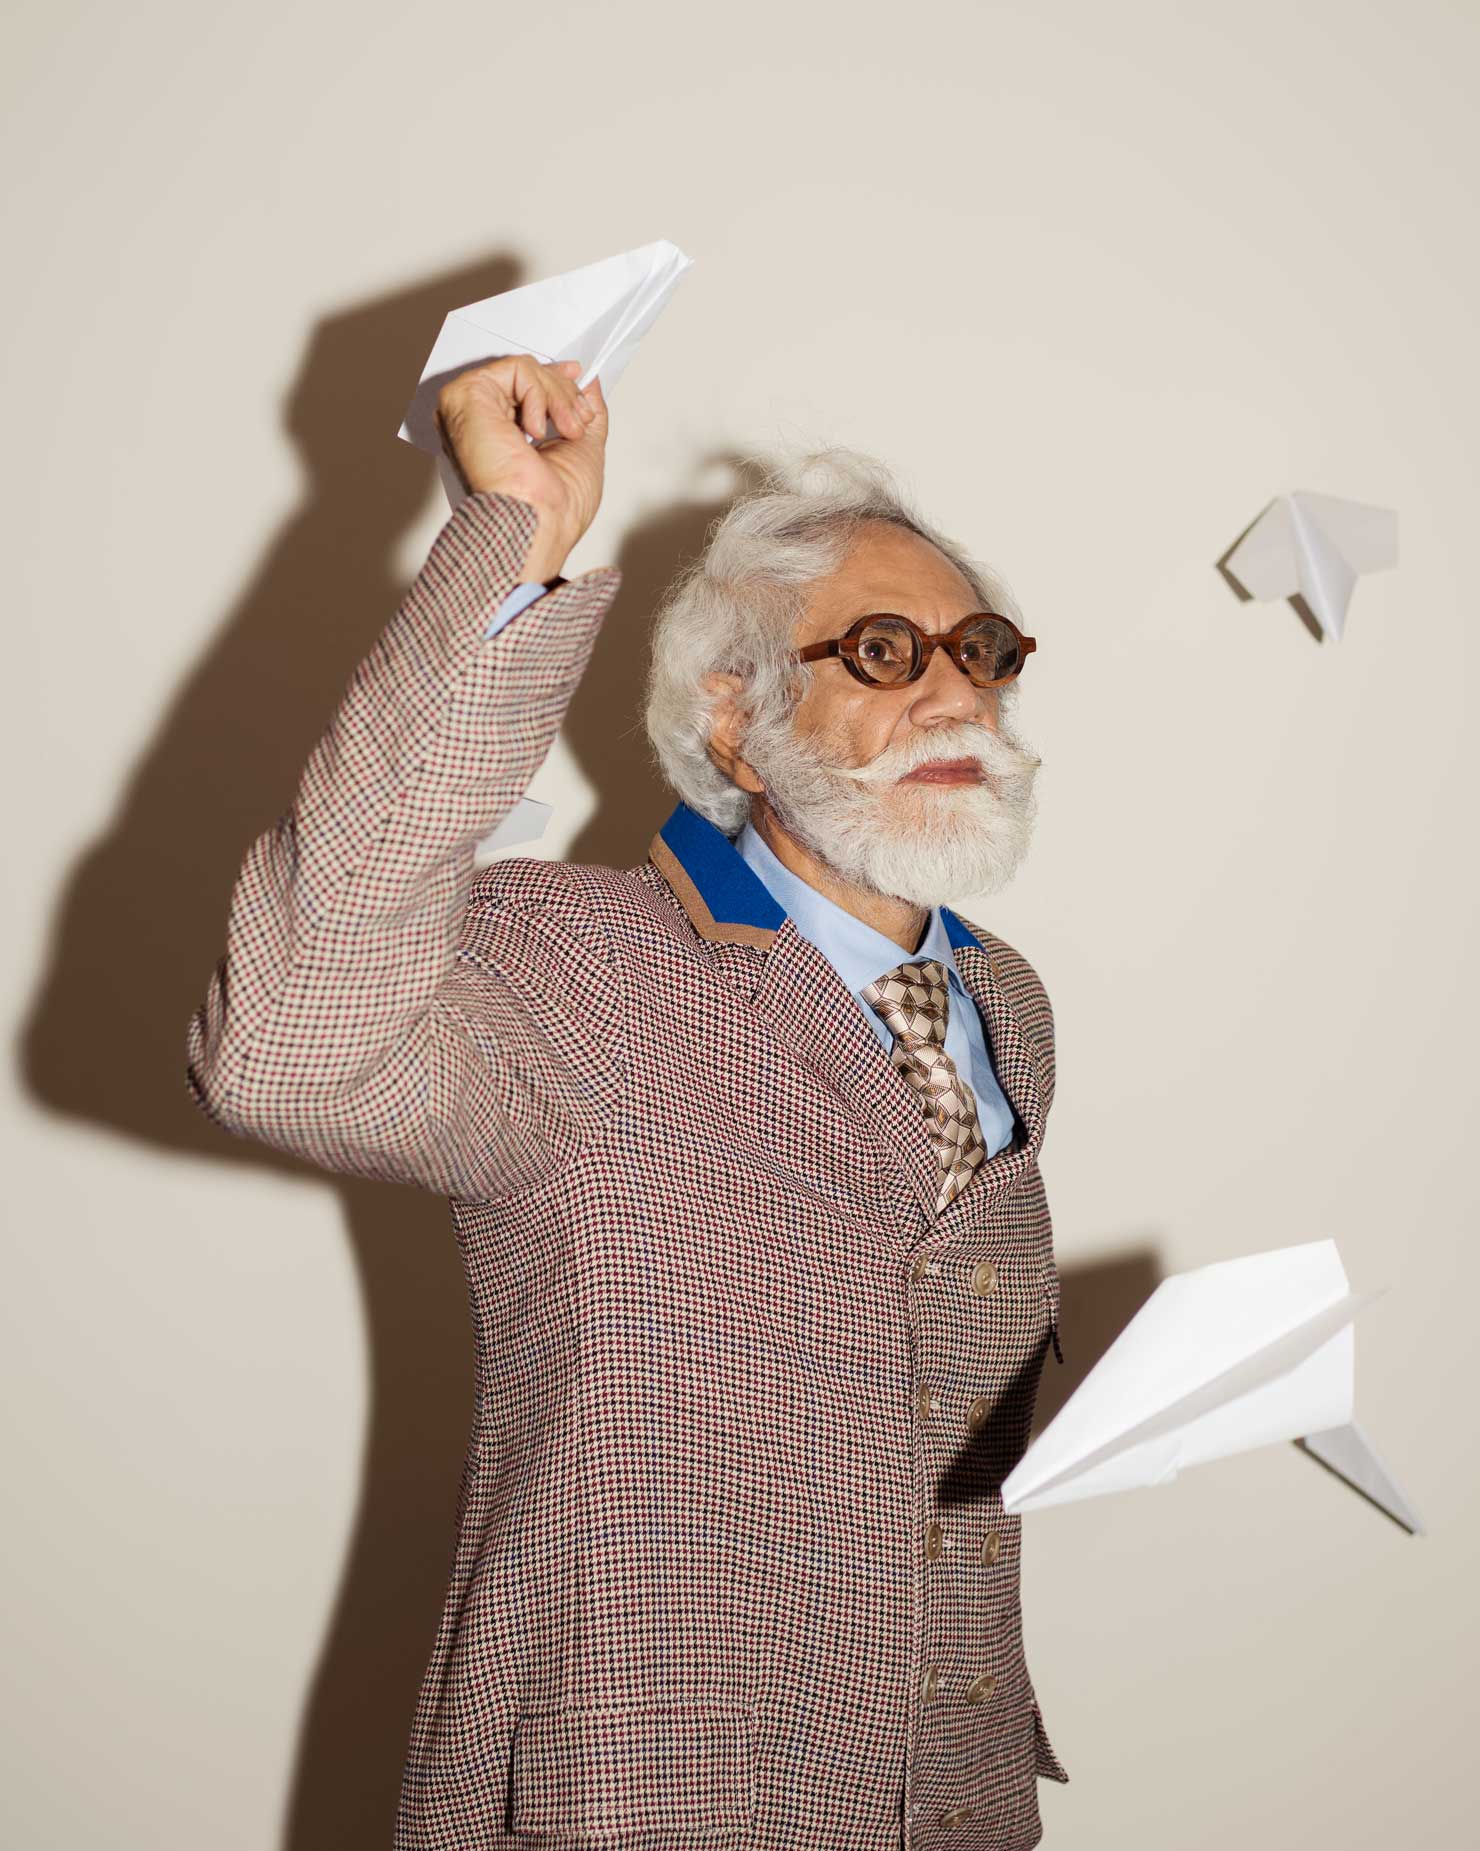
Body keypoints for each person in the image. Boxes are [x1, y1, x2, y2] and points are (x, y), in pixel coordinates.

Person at [186, 355, 1069, 1850]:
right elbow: (286, 1044)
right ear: (736, 722)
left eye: (979, 650)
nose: (953, 693)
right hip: (632, 1791)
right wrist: (512, 542)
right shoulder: (569, 963)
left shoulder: (1010, 1010)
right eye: (882, 650)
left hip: (949, 1805)